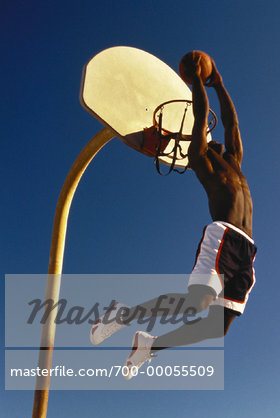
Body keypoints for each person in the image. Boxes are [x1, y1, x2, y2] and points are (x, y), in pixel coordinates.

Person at [90, 55, 257, 378]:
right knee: (198, 303)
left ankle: (149, 347)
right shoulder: (201, 159)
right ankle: (122, 315)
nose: (218, 139)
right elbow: (198, 116)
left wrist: (219, 84)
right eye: (211, 139)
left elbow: (232, 123)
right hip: (222, 237)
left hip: (247, 249)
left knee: (217, 328)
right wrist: (196, 81)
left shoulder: (234, 162)